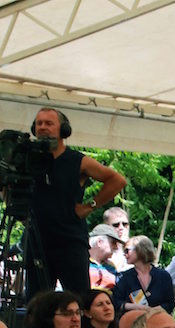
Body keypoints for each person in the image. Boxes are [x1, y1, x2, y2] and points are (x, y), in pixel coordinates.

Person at [25, 108, 127, 298]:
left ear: (62, 129)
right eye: (39, 124)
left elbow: (117, 180)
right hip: (37, 240)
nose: (42, 128)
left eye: (49, 123)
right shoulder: (28, 160)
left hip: (70, 242)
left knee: (79, 300)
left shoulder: (77, 161)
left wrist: (90, 206)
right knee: (37, 304)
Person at [114, 236, 175, 313]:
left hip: (158, 321)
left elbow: (170, 304)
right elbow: (116, 303)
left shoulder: (163, 276)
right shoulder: (123, 277)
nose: (124, 254)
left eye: (127, 250)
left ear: (140, 249)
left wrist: (152, 311)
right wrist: (137, 307)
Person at [87, 224, 125, 290]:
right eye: (113, 243)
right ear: (99, 242)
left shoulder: (111, 266)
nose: (116, 247)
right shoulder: (82, 263)